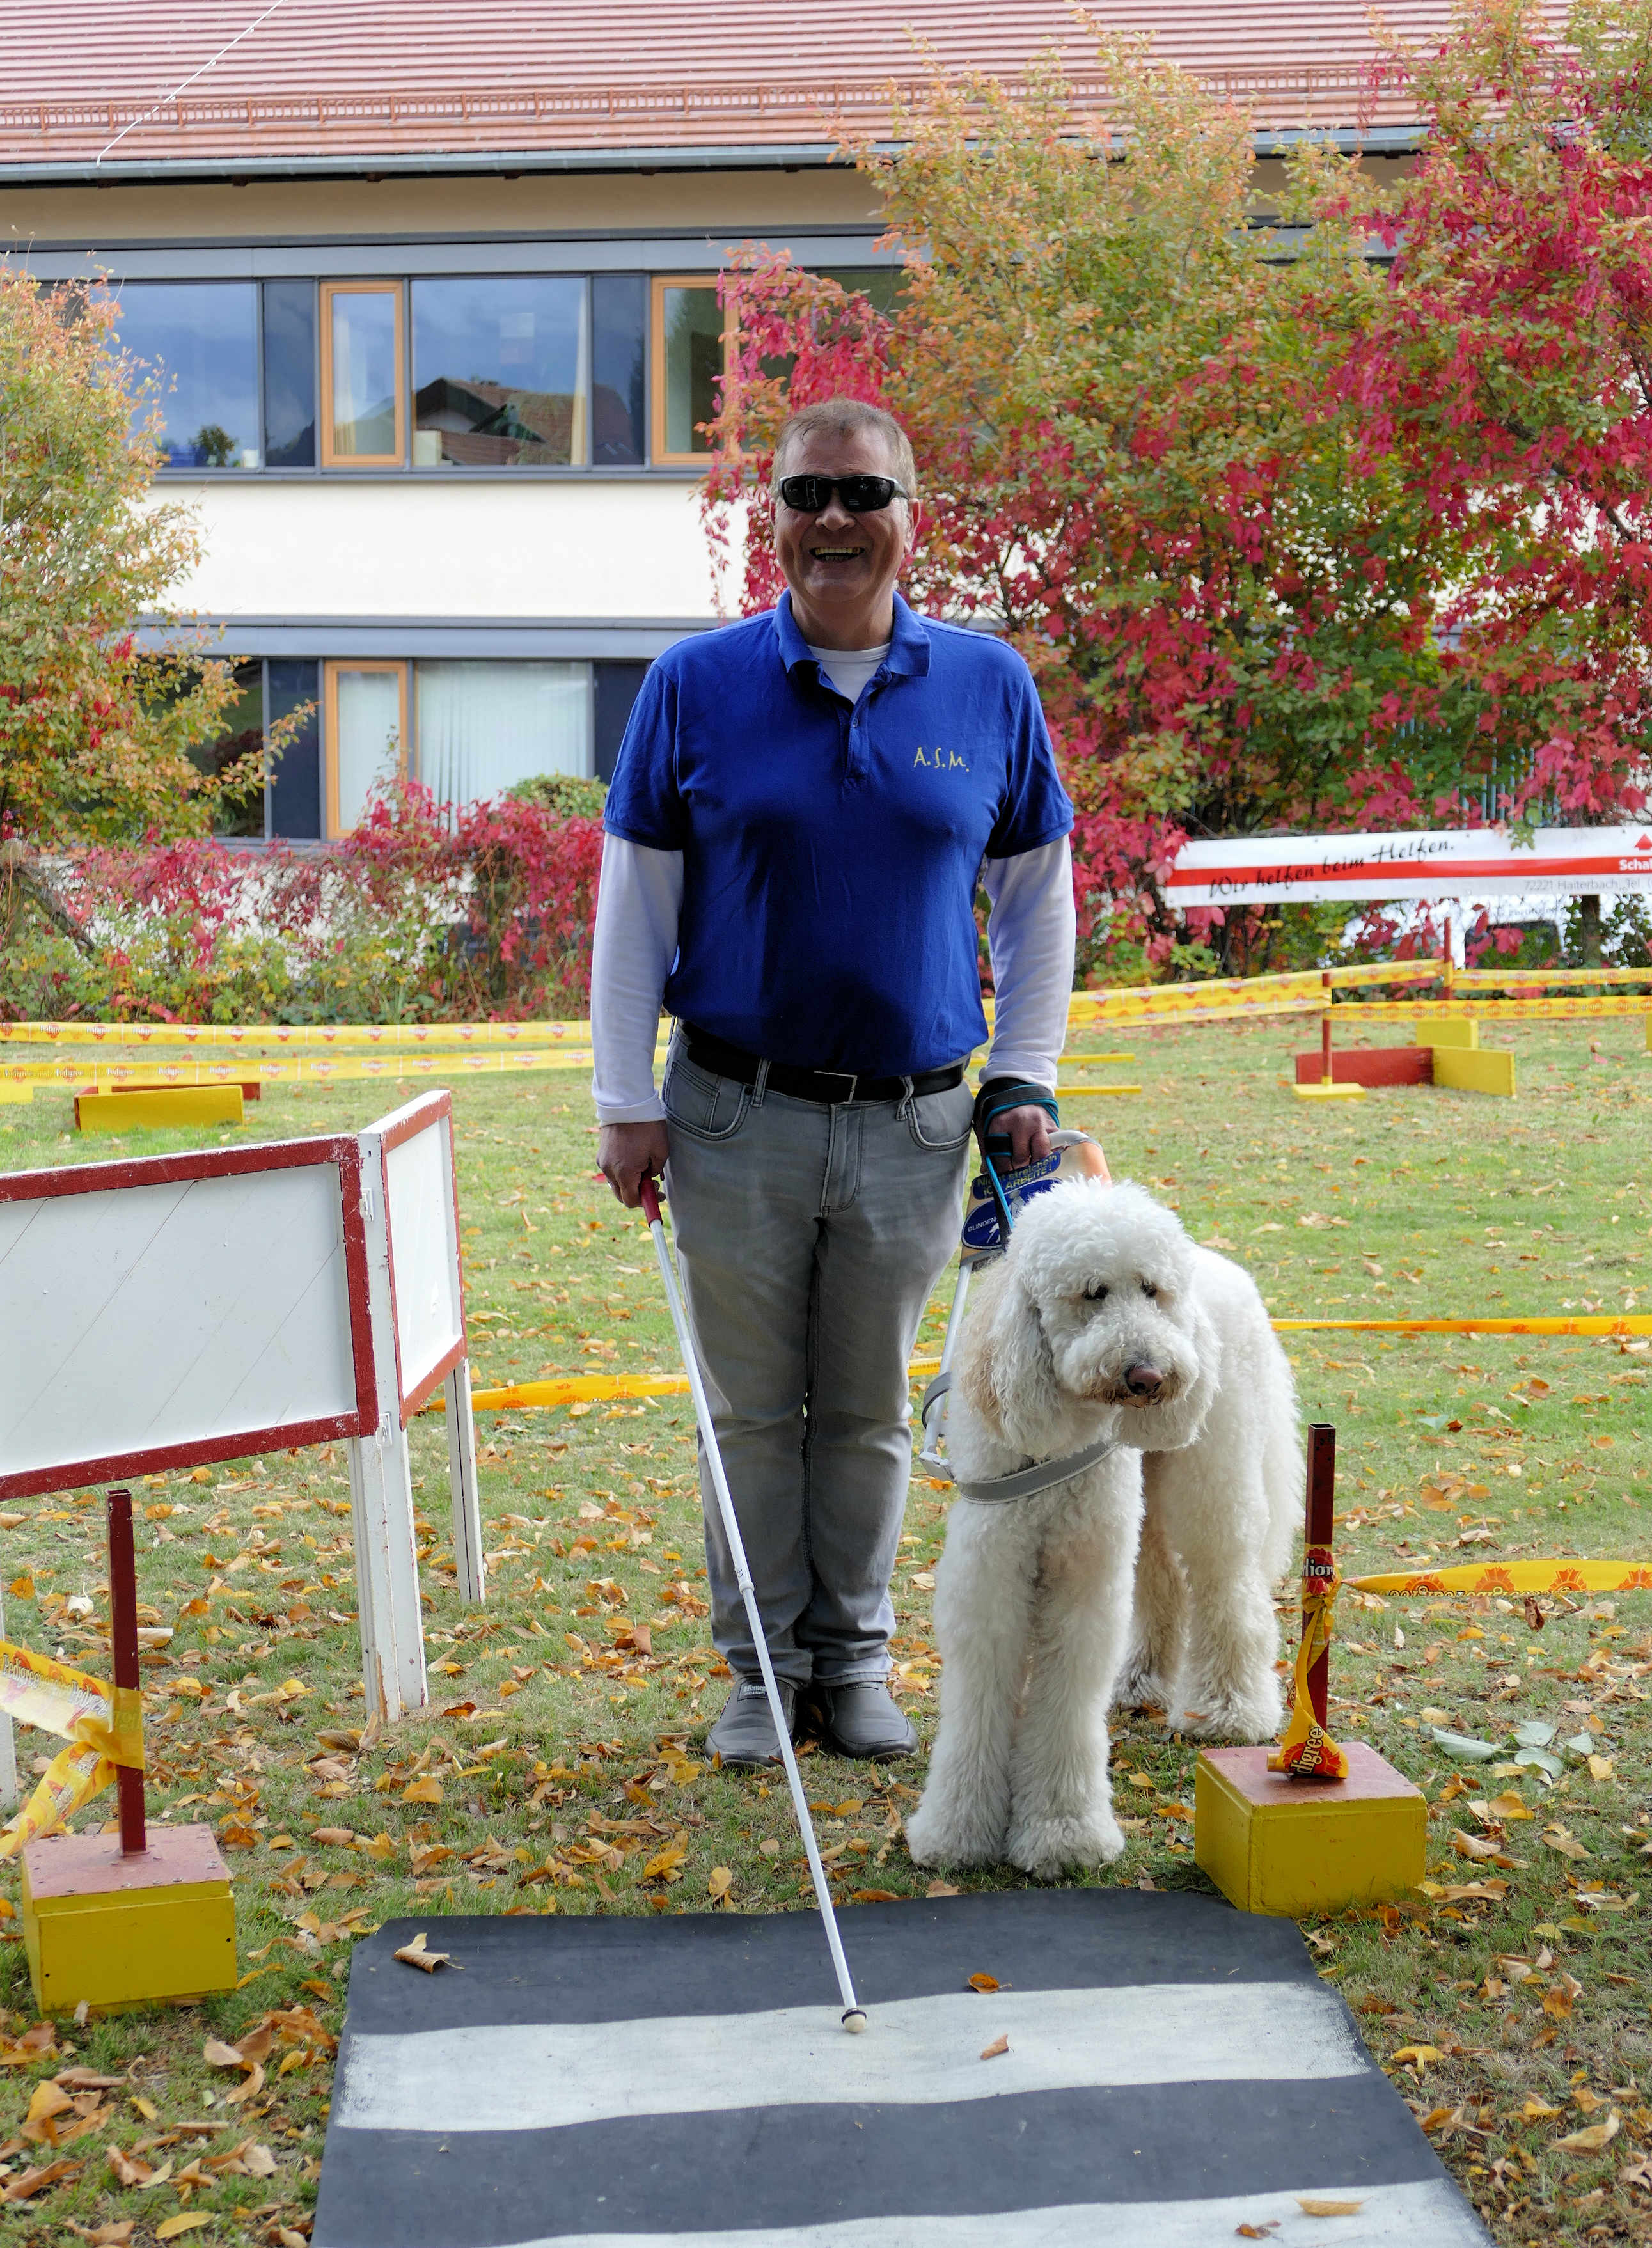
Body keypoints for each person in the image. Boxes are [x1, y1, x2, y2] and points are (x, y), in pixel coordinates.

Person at [591, 396, 1076, 1766]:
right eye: (805, 495)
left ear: (911, 517)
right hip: (728, 1115)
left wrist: (1024, 1069)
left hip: (915, 1123)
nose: (833, 522)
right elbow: (633, 907)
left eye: (862, 496)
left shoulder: (989, 687)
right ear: (772, 518)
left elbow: (1036, 899)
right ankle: (758, 1675)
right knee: (748, 1414)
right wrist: (620, 1102)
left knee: (865, 1413)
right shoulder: (693, 684)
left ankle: (849, 1664)